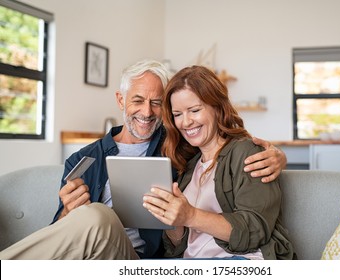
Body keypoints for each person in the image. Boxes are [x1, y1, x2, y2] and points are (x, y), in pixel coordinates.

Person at [0, 59, 287, 260]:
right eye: (138, 100)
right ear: (120, 100)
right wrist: (66, 213)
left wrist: (277, 156)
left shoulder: (178, 147)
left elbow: (224, 150)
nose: (147, 112)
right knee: (89, 216)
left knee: (99, 215)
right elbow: (59, 240)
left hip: (137, 261)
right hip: (89, 258)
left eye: (157, 103)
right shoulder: (84, 158)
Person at [143, 65, 295, 259]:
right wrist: (173, 219)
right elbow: (177, 246)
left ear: (216, 107)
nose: (186, 122)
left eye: (194, 110)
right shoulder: (190, 164)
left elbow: (255, 230)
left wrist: (191, 215)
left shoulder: (247, 153)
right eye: (178, 114)